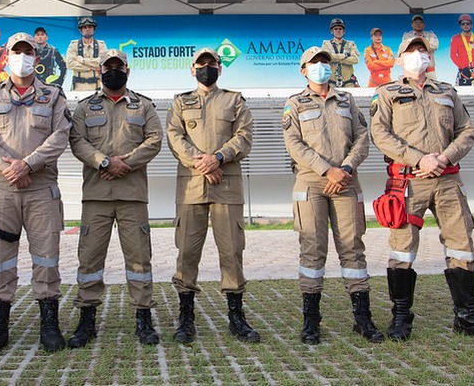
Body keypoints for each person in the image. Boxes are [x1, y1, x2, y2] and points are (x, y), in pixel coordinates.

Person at [370, 35, 474, 343]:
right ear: (400, 58)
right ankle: (401, 317)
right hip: (407, 182)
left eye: (423, 51)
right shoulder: (387, 93)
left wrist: (443, 158)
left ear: (430, 57)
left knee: (461, 245)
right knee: (401, 248)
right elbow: (380, 134)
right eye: (411, 51)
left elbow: (466, 131)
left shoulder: (447, 91)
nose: (418, 56)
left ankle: (468, 317)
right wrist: (421, 158)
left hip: (448, 180)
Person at [0, 32, 72, 356]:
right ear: (6, 57)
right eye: (17, 52)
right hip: (1, 189)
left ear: (37, 59)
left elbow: (60, 136)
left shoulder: (54, 95)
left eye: (28, 52)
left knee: (46, 258)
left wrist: (28, 164)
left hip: (41, 189)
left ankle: (49, 325)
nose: (23, 57)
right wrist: (8, 167)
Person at [282, 46, 383, 345]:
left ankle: (362, 319)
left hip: (347, 180)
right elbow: (294, 143)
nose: (321, 66)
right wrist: (328, 171)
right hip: (311, 182)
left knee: (353, 248)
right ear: (303, 70)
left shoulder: (346, 99)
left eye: (325, 61)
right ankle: (311, 321)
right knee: (312, 250)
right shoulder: (294, 104)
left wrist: (346, 167)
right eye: (314, 63)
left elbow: (363, 137)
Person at [67, 49, 163, 348]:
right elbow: (77, 141)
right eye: (107, 67)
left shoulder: (144, 106)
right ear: (100, 72)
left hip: (133, 196)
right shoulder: (84, 108)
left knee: (139, 259)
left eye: (118, 66)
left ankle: (143, 317)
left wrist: (126, 163)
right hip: (96, 195)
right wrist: (105, 162)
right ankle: (86, 320)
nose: (113, 71)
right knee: (90, 259)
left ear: (127, 70)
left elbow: (155, 140)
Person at [165, 47, 260, 345]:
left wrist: (218, 157)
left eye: (212, 63)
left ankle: (236, 318)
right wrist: (202, 163)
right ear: (192, 69)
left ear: (220, 68)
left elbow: (244, 136)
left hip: (226, 186)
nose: (207, 67)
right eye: (201, 64)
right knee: (187, 253)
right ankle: (186, 318)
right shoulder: (181, 102)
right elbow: (174, 137)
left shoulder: (234, 100)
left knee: (232, 251)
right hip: (192, 187)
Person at [66, 16, 107, 91]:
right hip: (78, 87)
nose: (87, 29)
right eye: (84, 27)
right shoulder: (73, 45)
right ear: (80, 30)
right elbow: (70, 64)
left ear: (94, 29)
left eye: (90, 27)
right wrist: (91, 67)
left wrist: (84, 61)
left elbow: (103, 62)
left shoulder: (101, 45)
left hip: (95, 86)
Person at [321, 18, 360, 87]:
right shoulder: (326, 44)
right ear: (331, 31)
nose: (338, 31)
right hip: (332, 83)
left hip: (348, 83)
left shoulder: (351, 44)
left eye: (340, 29)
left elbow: (355, 60)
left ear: (344, 31)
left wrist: (336, 58)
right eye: (335, 29)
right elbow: (327, 58)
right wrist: (344, 56)